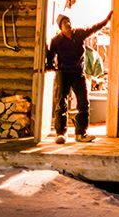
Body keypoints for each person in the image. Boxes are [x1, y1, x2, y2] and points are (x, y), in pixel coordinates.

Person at [45, 11, 112, 143]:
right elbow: (50, 57)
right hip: (63, 73)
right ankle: (61, 133)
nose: (68, 24)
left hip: (78, 73)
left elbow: (93, 28)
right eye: (64, 23)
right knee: (61, 103)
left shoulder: (79, 34)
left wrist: (107, 20)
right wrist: (50, 66)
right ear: (60, 26)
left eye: (68, 21)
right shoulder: (56, 41)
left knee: (83, 103)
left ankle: (80, 133)